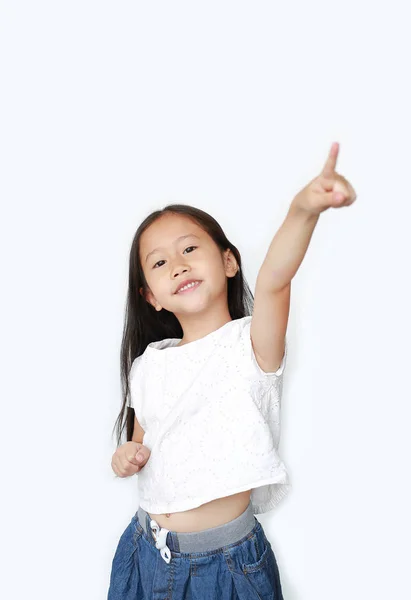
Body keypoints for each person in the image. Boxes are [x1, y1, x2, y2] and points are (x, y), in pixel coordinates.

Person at [108, 142, 357, 599]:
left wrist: (304, 208)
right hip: (145, 551)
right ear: (152, 297)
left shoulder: (250, 344)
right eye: (160, 262)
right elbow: (140, 443)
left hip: (226, 567)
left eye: (189, 249)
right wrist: (126, 457)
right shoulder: (149, 364)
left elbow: (276, 278)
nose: (178, 264)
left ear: (228, 261)